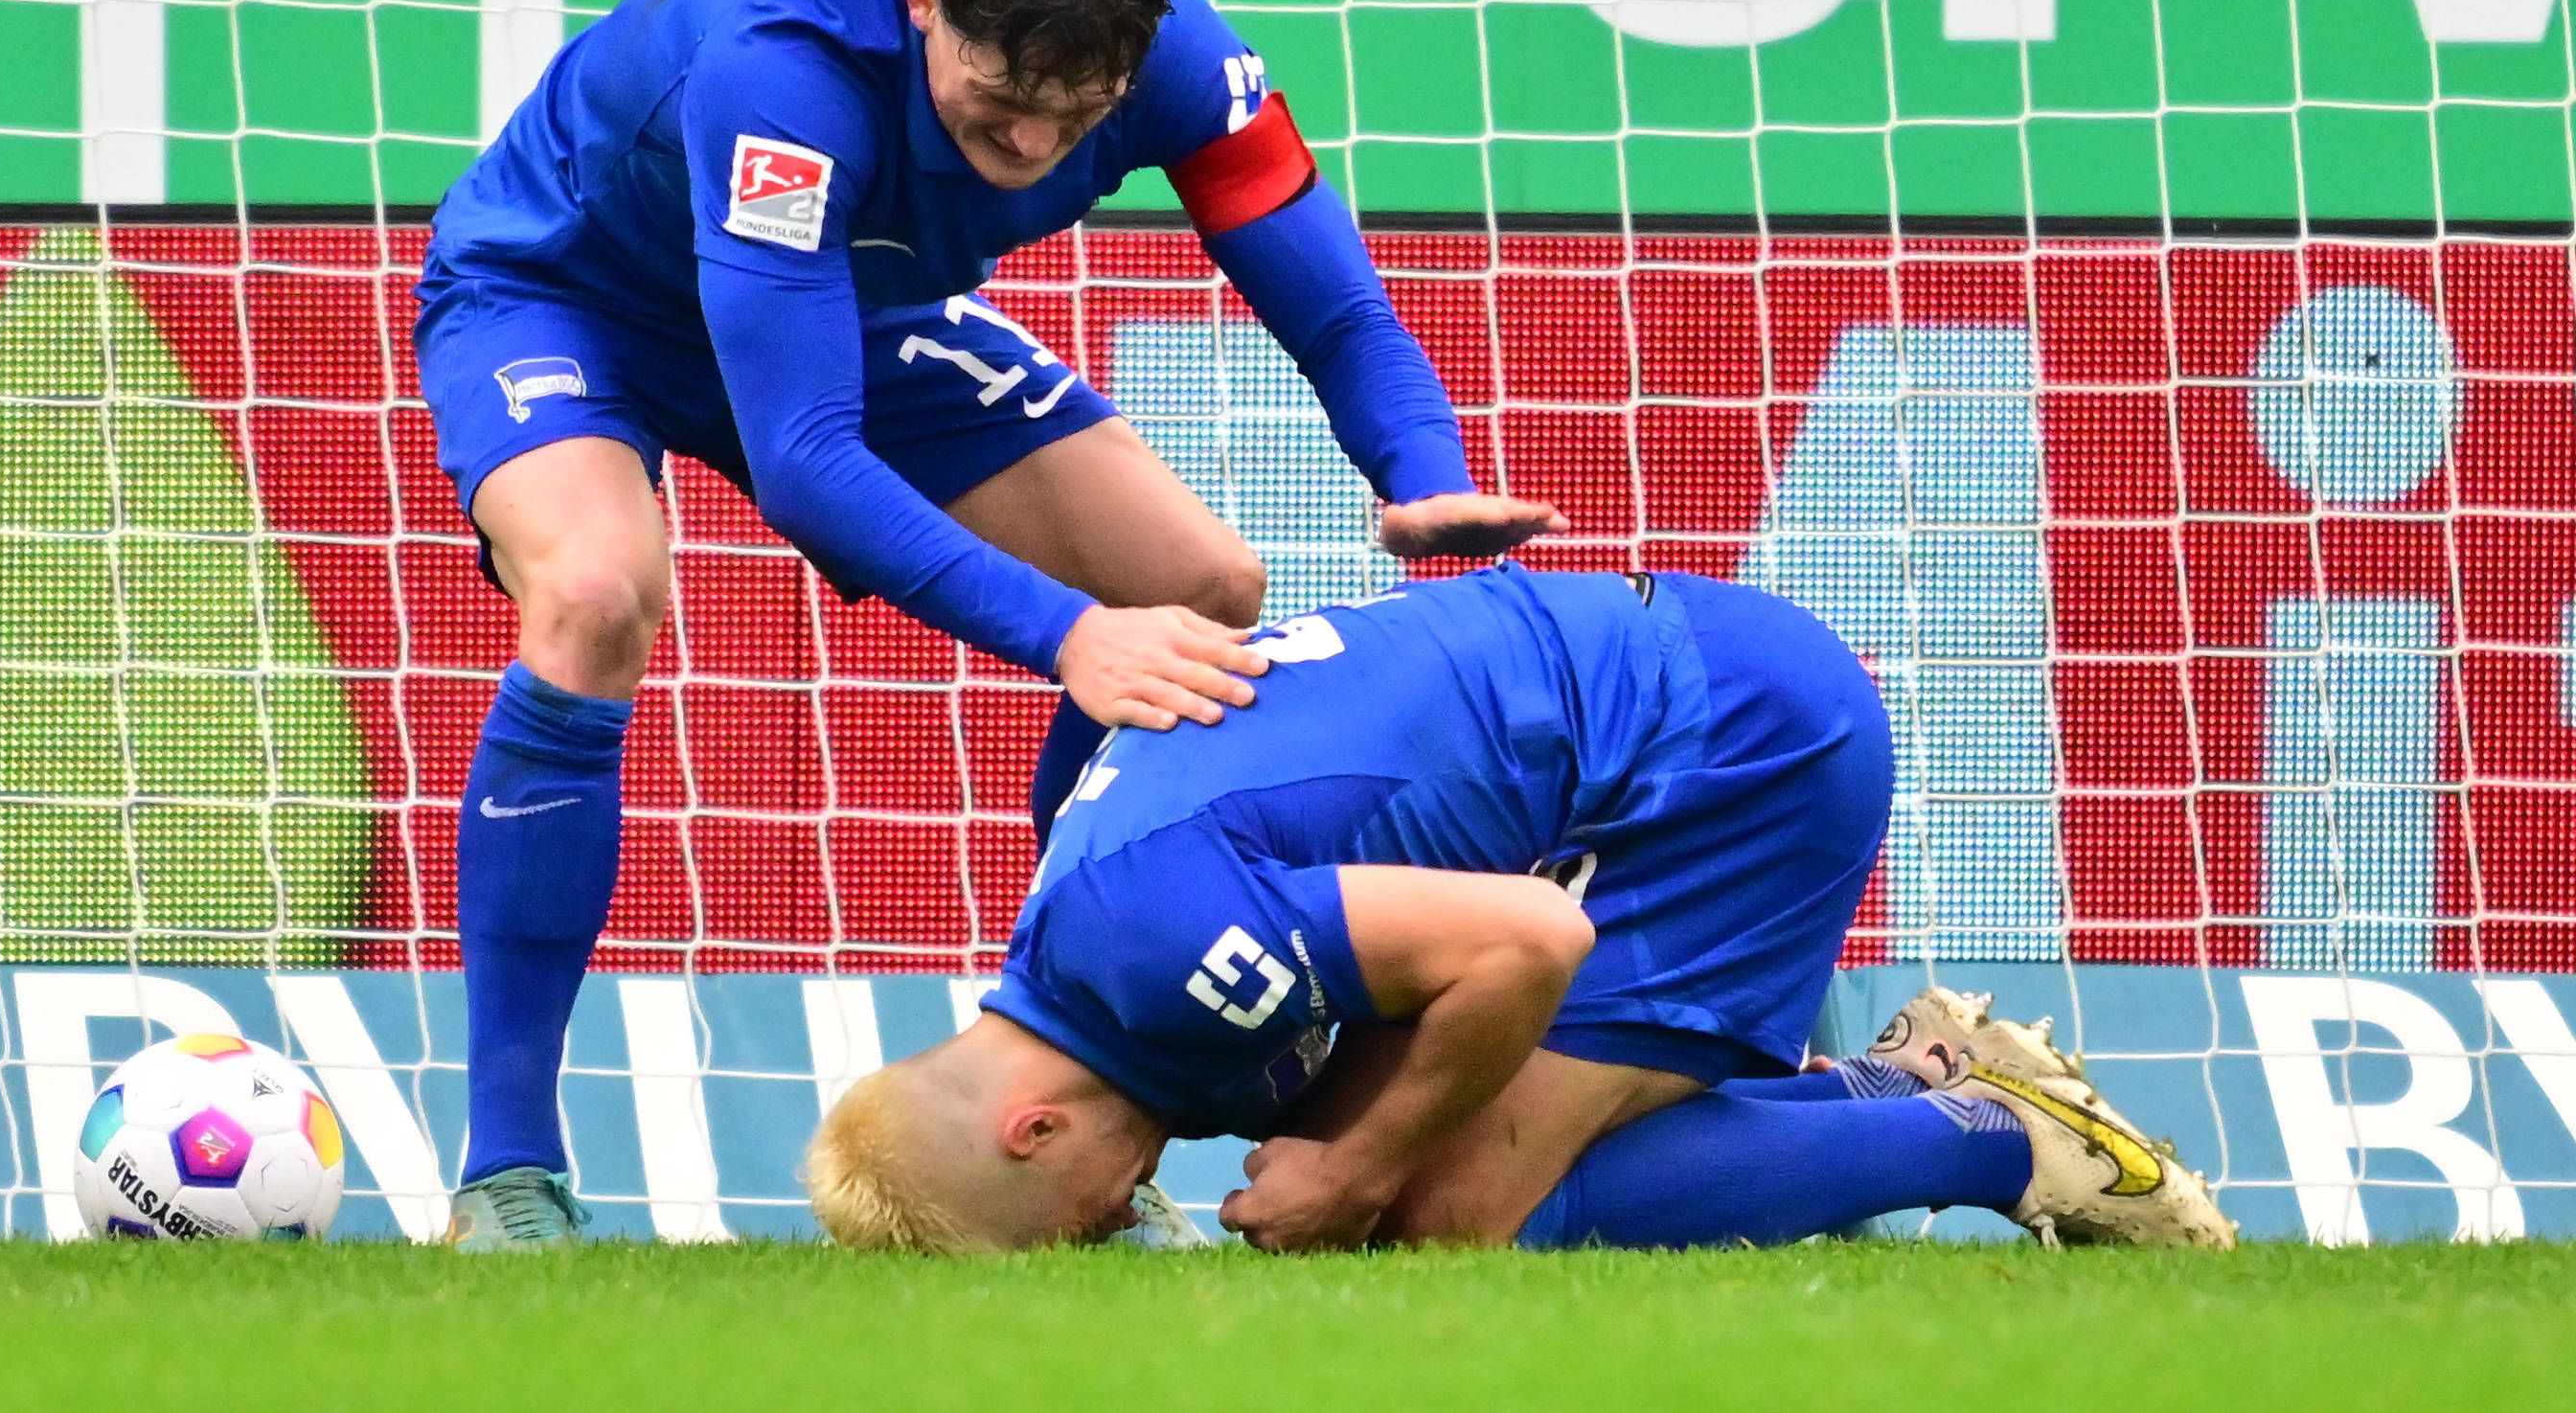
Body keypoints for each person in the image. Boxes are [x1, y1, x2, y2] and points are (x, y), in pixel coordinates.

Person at [419, 0, 1557, 1249]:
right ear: (918, 2)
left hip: (846, 291)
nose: (1028, 152)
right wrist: (1069, 636)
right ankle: (507, 1170)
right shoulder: (786, 68)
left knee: (1199, 588)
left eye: (1074, 124)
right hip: (570, 293)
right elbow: (806, 456)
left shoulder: (1183, 64)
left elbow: (1333, 306)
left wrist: (1418, 469)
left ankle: (1074, 1105)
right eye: (998, 105)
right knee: (594, 590)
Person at [805, 567, 2234, 1253]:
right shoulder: (1073, 943)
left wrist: (1358, 1167)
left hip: (1736, 747)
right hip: (1673, 705)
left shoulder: (1161, 956)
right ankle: (1907, 1074)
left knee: (1436, 1207)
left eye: (1081, 1220)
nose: (1123, 1217)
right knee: (1370, 1147)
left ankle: (1987, 1135)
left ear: (1031, 1126)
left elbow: (1530, 941)